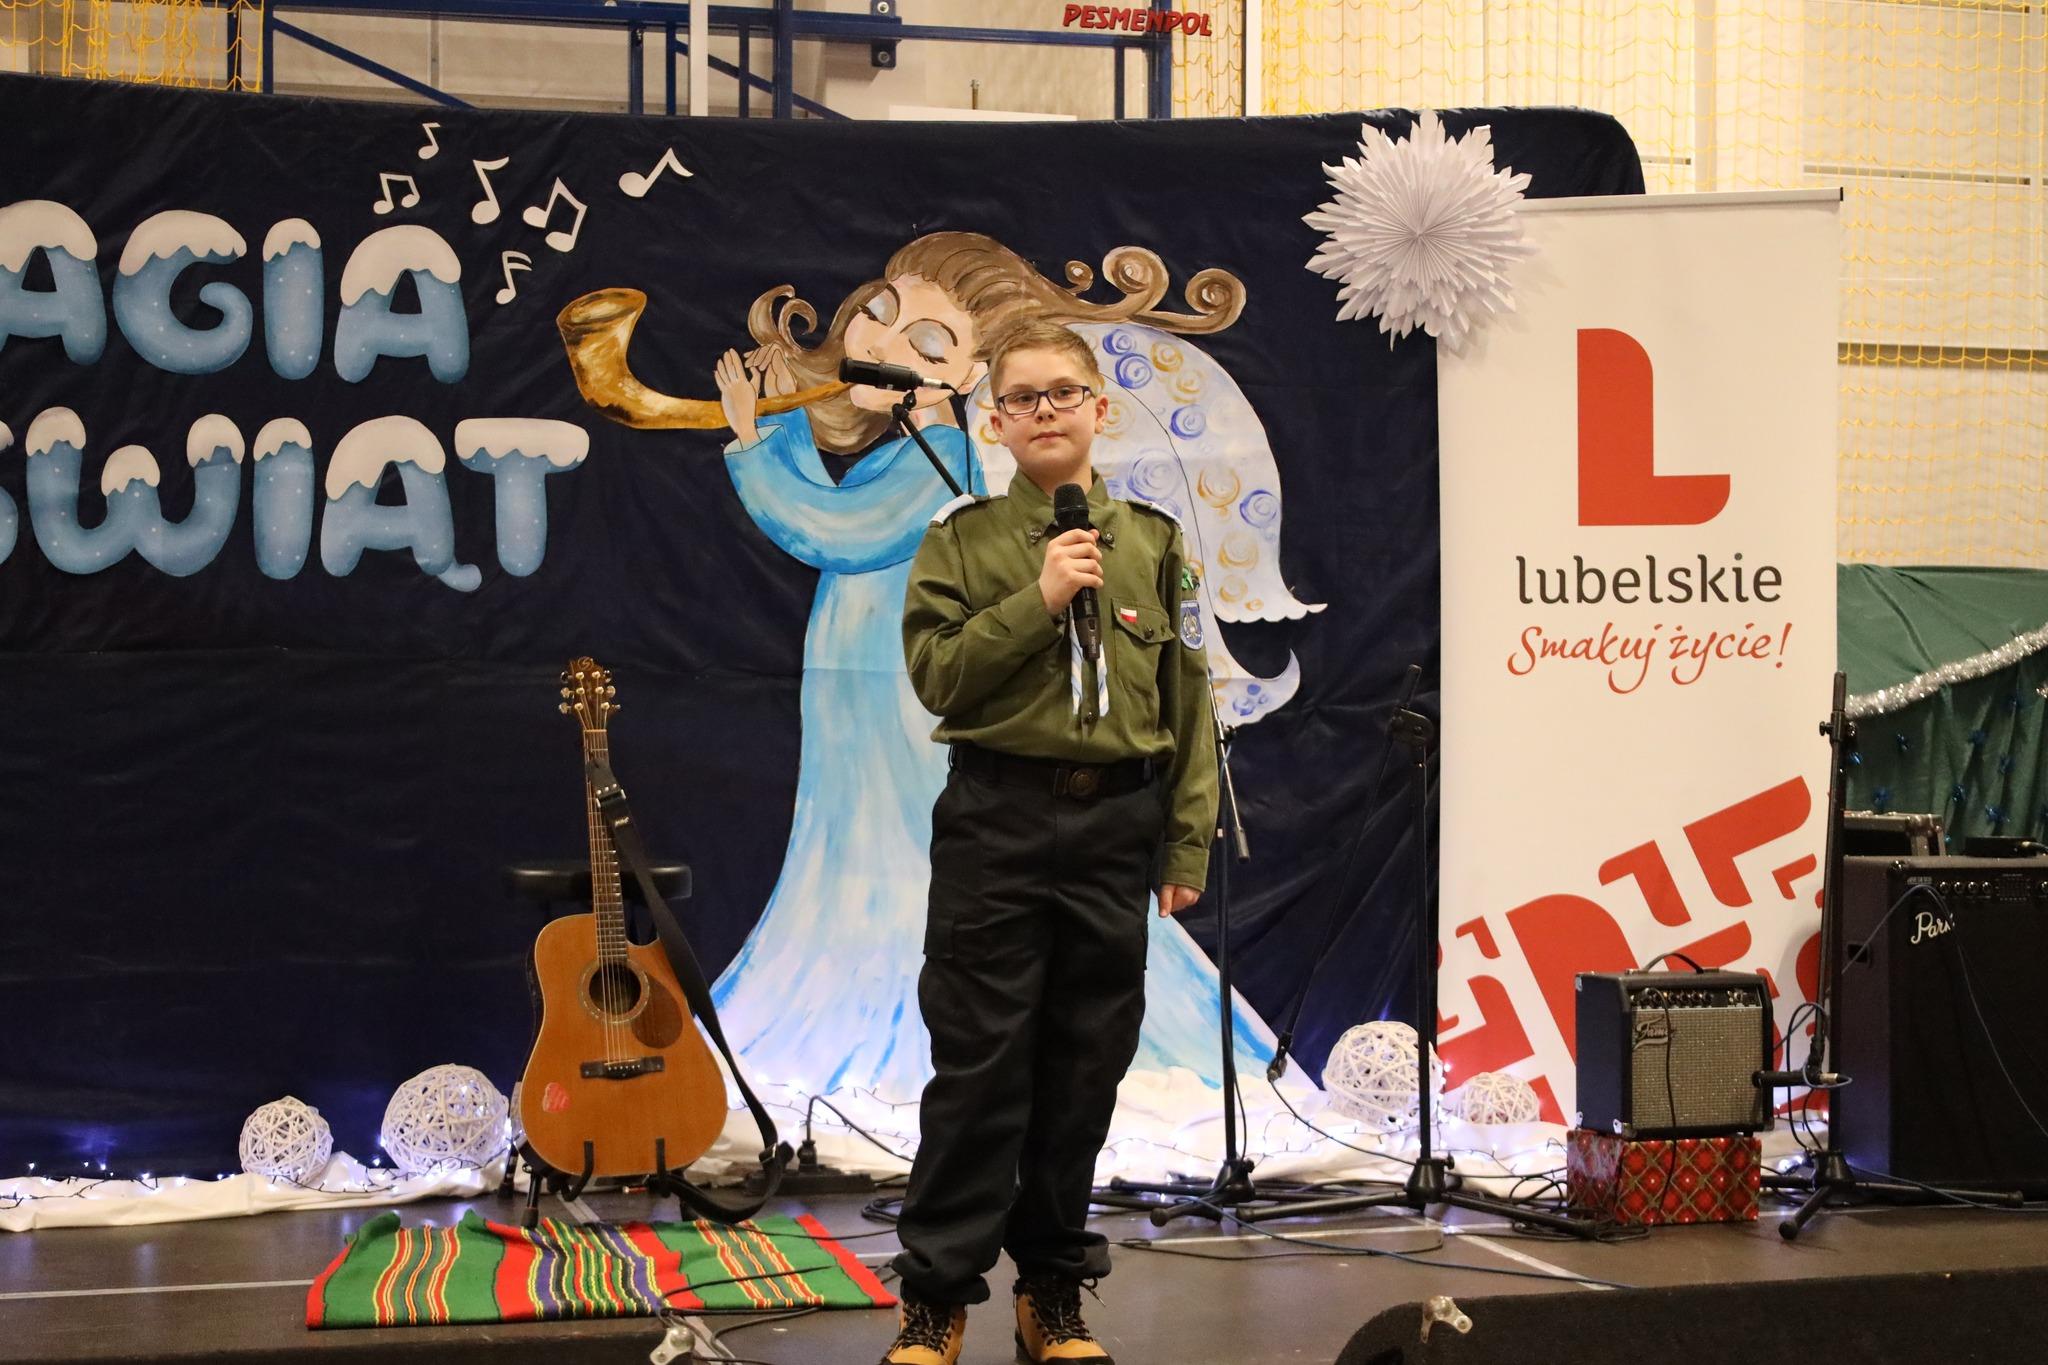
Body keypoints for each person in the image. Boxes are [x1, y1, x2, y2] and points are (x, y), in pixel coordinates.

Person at [881, 319, 1218, 1365]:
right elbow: (938, 677)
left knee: (1083, 1071)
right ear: (995, 422)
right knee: (978, 1069)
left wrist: (1185, 845)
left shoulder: (1154, 543)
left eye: (1062, 392)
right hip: (1000, 820)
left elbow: (1188, 700)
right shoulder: (962, 540)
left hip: (1115, 825)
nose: (1044, 412)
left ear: (1097, 408)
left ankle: (1053, 1294)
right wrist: (1038, 599)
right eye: (1021, 398)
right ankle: (935, 1300)